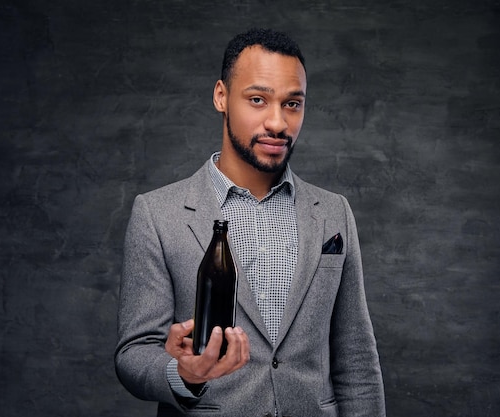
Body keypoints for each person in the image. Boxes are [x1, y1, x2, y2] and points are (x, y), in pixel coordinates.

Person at [115, 28, 386, 417]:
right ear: (221, 96)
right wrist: (183, 374)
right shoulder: (157, 214)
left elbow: (357, 359)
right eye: (258, 100)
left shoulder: (333, 212)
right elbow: (133, 354)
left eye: (293, 104)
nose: (278, 122)